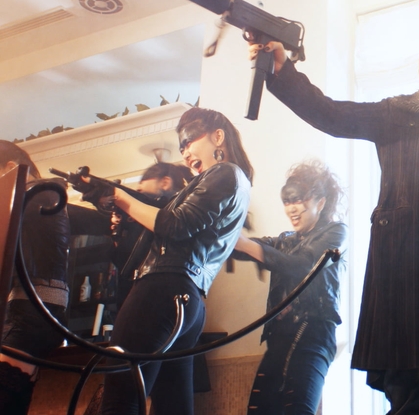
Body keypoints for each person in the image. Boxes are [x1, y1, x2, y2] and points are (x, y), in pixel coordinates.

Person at [252, 36, 419, 414]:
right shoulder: (396, 113)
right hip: (407, 269)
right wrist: (283, 70)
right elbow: (330, 113)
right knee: (409, 395)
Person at [88, 107, 252, 415]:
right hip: (189, 302)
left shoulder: (224, 174)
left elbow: (175, 224)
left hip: (160, 290)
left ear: (218, 136)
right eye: (182, 146)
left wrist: (119, 196)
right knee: (172, 408)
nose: (185, 152)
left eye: (190, 140)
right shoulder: (235, 182)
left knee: (120, 402)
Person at [232, 160, 346, 415]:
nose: (292, 208)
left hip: (315, 335)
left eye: (299, 200)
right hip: (279, 338)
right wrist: (227, 235)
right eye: (287, 201)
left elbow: (303, 265)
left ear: (320, 202)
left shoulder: (336, 232)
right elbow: (244, 249)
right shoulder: (284, 241)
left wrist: (245, 244)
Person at [0, 141, 71, 414]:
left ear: (10, 168)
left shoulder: (36, 195)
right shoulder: (48, 197)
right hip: (38, 307)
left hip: (31, 310)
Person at [111, 162, 194, 304]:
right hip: (139, 287)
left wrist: (120, 197)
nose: (139, 187)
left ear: (165, 182)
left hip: (155, 290)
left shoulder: (172, 213)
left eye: (144, 180)